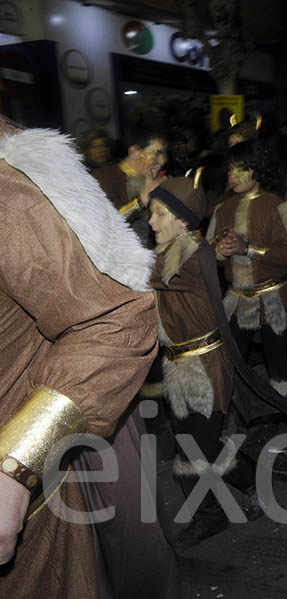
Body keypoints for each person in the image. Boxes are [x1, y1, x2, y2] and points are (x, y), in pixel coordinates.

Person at [0, 119, 164, 597]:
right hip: (79, 366)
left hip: (82, 375)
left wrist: (15, 465)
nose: (157, 161)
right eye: (151, 152)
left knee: (126, 518)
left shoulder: (16, 186)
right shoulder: (110, 178)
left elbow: (112, 312)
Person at [148, 177, 287, 547]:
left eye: (160, 214)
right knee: (194, 446)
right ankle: (230, 496)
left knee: (200, 448)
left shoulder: (192, 256)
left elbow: (137, 275)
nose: (152, 222)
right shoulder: (167, 254)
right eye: (151, 213)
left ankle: (217, 508)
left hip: (206, 367)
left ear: (183, 221)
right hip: (178, 368)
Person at [207, 140, 287, 405]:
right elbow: (210, 254)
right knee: (233, 361)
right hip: (237, 301)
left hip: (273, 300)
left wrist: (247, 248)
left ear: (257, 170)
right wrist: (219, 250)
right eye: (230, 170)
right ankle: (242, 414)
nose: (233, 176)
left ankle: (285, 414)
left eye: (241, 169)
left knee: (278, 365)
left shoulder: (278, 207)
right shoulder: (222, 208)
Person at [92, 126, 168, 247]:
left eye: (164, 154)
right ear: (134, 152)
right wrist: (143, 199)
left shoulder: (154, 181)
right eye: (156, 153)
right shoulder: (103, 178)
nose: (162, 161)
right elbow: (106, 225)